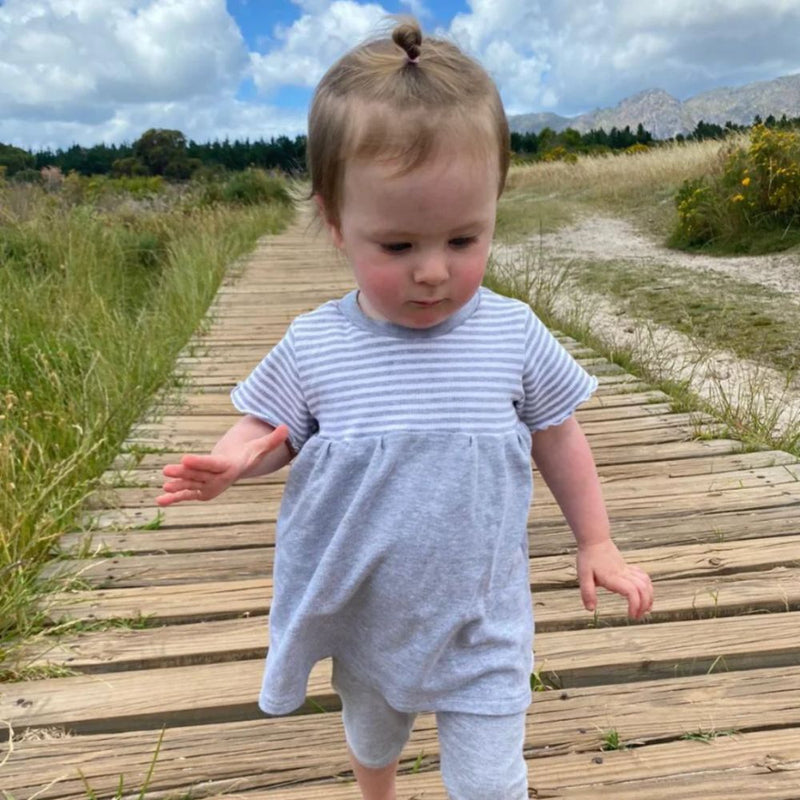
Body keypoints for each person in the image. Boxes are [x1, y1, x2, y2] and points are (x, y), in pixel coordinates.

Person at [156, 16, 654, 800]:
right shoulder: (317, 343)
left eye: (463, 240)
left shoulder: (513, 333)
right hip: (368, 613)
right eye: (397, 247)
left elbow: (558, 432)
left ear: (494, 208)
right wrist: (230, 458)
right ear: (334, 223)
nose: (433, 272)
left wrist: (599, 542)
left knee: (491, 784)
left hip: (482, 618)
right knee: (373, 735)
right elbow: (269, 427)